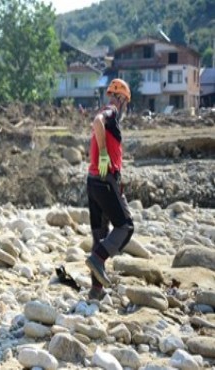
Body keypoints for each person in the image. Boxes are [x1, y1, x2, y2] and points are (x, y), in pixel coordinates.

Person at [85, 78, 134, 300]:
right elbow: (97, 122)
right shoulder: (111, 111)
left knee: (100, 233)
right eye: (126, 102)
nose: (125, 106)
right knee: (126, 227)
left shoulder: (109, 113)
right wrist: (104, 153)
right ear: (122, 99)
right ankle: (98, 259)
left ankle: (96, 290)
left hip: (93, 180)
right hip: (105, 180)